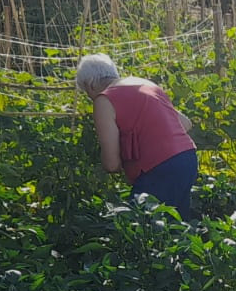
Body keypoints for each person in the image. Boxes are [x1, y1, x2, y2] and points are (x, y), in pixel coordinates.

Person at [75, 53, 198, 218]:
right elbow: (185, 123)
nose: (89, 97)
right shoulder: (145, 84)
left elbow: (111, 164)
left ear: (90, 84)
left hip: (158, 169)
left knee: (140, 227)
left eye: (86, 92)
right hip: (187, 159)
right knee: (177, 226)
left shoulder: (104, 100)